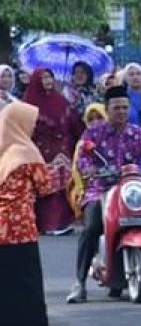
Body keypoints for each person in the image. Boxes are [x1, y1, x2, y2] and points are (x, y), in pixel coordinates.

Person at [68, 86, 141, 304]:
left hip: (132, 188)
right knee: (91, 226)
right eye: (116, 107)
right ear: (107, 109)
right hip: (101, 189)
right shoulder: (93, 133)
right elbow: (83, 159)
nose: (121, 112)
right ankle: (79, 282)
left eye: (125, 108)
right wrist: (88, 169)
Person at [0, 102, 74, 326]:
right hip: (20, 228)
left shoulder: (3, 152)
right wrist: (64, 171)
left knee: (4, 286)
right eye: (30, 123)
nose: (33, 128)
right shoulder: (25, 152)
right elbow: (46, 187)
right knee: (28, 286)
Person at [23, 69, 79, 235]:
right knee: (47, 186)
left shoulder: (61, 100)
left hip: (63, 147)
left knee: (64, 185)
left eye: (50, 77)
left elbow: (72, 122)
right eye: (44, 78)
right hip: (41, 149)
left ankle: (63, 222)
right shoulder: (30, 102)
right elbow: (27, 128)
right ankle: (48, 223)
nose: (48, 81)